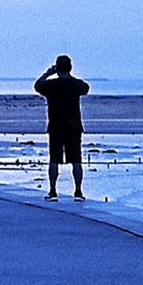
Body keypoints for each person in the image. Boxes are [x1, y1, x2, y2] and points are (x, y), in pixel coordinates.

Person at [34, 55, 90, 201]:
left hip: (56, 127)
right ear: (70, 67)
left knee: (54, 160)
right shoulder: (75, 84)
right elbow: (86, 88)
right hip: (74, 127)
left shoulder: (51, 85)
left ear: (57, 68)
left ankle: (53, 191)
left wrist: (47, 73)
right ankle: (78, 191)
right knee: (76, 160)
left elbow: (37, 85)